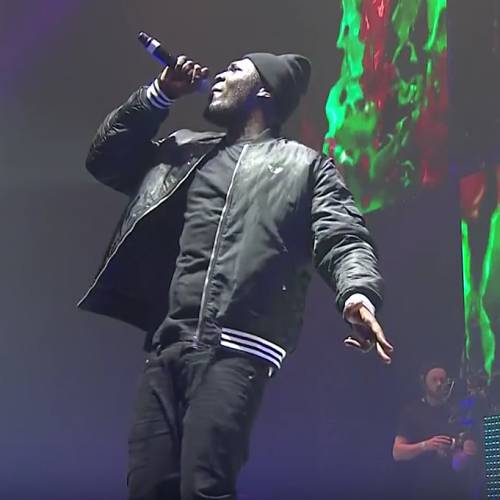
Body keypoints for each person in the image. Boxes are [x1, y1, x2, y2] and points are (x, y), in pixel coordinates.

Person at [80, 51, 393, 500]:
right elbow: (105, 160)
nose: (219, 75)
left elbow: (341, 234)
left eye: (235, 69)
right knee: (147, 487)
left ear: (264, 90)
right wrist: (159, 94)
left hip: (238, 347)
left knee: (204, 486)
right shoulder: (186, 151)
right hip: (167, 346)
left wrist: (357, 293)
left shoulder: (304, 166)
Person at [393, 364, 478, 500]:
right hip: (421, 489)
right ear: (424, 382)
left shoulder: (456, 413)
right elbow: (397, 452)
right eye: (434, 379)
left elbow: (458, 464)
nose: (439, 384)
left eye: (442, 380)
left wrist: (465, 453)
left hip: (453, 491)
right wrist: (426, 445)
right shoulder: (412, 411)